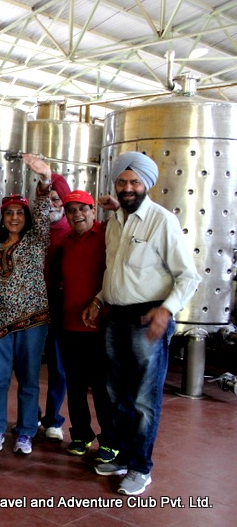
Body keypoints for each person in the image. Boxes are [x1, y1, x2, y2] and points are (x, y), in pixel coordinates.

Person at [84, 152, 200, 496]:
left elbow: (188, 276)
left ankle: (140, 468)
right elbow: (116, 273)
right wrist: (99, 300)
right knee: (115, 394)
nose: (128, 188)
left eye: (135, 182)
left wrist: (166, 311)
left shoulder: (161, 221)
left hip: (148, 319)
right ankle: (120, 457)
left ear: (147, 184)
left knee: (144, 400)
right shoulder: (115, 222)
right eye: (122, 182)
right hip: (115, 317)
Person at [0, 154, 52, 455]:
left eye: (19, 213)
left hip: (32, 323)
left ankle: (27, 431)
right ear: (1, 217)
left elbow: (44, 215)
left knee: (29, 380)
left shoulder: (36, 241)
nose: (14, 218)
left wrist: (45, 179)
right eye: (9, 213)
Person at [55, 190, 115, 459]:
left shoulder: (106, 235)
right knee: (76, 385)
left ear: (93, 211)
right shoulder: (65, 242)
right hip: (69, 326)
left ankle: (110, 440)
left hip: (99, 328)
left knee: (102, 387)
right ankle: (80, 434)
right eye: (71, 210)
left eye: (83, 209)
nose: (77, 214)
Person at [40, 173, 71, 442]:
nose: (51, 203)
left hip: (59, 302)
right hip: (31, 303)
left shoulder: (72, 231)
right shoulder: (34, 228)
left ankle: (53, 419)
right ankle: (31, 414)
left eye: (56, 199)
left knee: (58, 365)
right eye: (47, 199)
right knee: (24, 363)